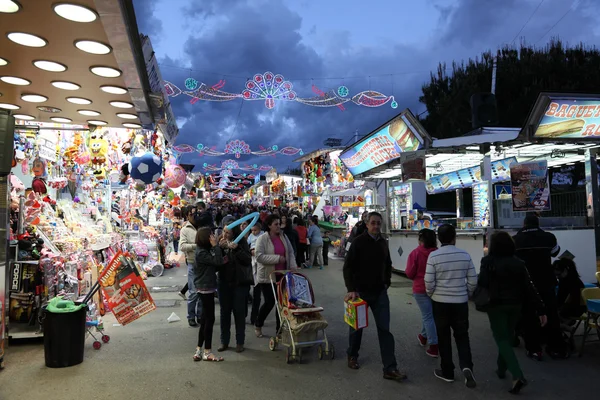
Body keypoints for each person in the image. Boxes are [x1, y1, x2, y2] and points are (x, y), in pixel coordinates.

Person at [478, 231, 547, 394]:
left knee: (501, 338)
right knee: (507, 336)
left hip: (495, 305)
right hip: (516, 305)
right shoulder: (519, 263)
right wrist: (541, 308)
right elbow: (528, 287)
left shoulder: (487, 261)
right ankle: (501, 369)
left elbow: (482, 282)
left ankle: (517, 375)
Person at [343, 212, 407, 382]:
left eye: (379, 223)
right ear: (367, 223)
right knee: (357, 329)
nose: (376, 226)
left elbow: (387, 263)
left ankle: (390, 368)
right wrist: (351, 289)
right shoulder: (358, 242)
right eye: (373, 223)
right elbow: (347, 267)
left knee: (385, 330)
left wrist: (387, 282)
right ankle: (352, 355)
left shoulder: (383, 243)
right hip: (360, 293)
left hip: (379, 293)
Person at [425, 224, 477, 388]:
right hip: (460, 303)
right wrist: (466, 293)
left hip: (440, 303)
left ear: (439, 239)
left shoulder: (434, 256)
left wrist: (432, 294)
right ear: (454, 237)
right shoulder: (464, 255)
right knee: (462, 336)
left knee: (443, 337)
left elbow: (428, 282)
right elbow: (473, 280)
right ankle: (467, 366)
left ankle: (447, 372)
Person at [513, 214, 566, 360]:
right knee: (551, 313)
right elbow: (555, 252)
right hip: (546, 281)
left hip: (526, 283)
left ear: (524, 223)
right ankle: (555, 348)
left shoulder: (516, 239)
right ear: (538, 223)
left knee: (529, 315)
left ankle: (534, 349)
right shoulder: (548, 237)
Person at [254, 214, 297, 338]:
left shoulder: (284, 237)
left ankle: (280, 330)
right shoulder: (262, 239)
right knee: (270, 302)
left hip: (283, 275)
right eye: (276, 224)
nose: (279, 226)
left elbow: (290, 252)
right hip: (268, 276)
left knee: (282, 303)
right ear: (269, 226)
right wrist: (277, 259)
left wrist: (292, 266)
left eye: (279, 224)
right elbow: (259, 256)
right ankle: (258, 323)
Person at [217, 224, 253, 353]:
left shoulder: (241, 242)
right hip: (223, 283)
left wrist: (237, 249)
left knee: (239, 313)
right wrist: (219, 249)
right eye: (224, 231)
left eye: (228, 232)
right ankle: (224, 341)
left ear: (234, 233)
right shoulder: (219, 242)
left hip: (239, 283)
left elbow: (248, 260)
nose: (225, 235)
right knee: (224, 313)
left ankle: (240, 342)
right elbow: (216, 262)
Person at [405, 229, 439, 358]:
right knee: (430, 315)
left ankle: (434, 345)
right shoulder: (437, 253)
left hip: (420, 289)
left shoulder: (415, 253)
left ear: (421, 240)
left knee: (428, 316)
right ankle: (423, 336)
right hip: (436, 288)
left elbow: (409, 273)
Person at [193, 227, 224, 362]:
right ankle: (207, 351)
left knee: (205, 318)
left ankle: (199, 349)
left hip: (205, 286)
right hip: (206, 287)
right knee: (209, 319)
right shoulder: (202, 253)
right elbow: (217, 262)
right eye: (211, 235)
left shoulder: (202, 251)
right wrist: (216, 247)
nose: (213, 237)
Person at [179, 206, 202, 326]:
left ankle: (200, 316)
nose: (196, 216)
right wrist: (195, 246)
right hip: (193, 262)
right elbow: (182, 246)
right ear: (188, 215)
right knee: (193, 292)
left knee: (203, 292)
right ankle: (191, 316)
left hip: (204, 263)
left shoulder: (203, 226)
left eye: (197, 213)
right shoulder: (185, 229)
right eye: (193, 214)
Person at [553, 258, 586, 322]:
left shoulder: (571, 282)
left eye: (558, 274)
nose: (557, 277)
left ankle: (565, 325)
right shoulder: (571, 280)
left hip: (574, 309)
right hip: (576, 308)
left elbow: (562, 299)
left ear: (565, 270)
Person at [248, 222, 264, 325]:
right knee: (256, 292)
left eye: (255, 230)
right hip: (253, 261)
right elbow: (248, 244)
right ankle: (254, 317)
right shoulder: (250, 236)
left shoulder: (263, 235)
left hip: (261, 263)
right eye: (252, 230)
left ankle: (257, 317)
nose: (253, 232)